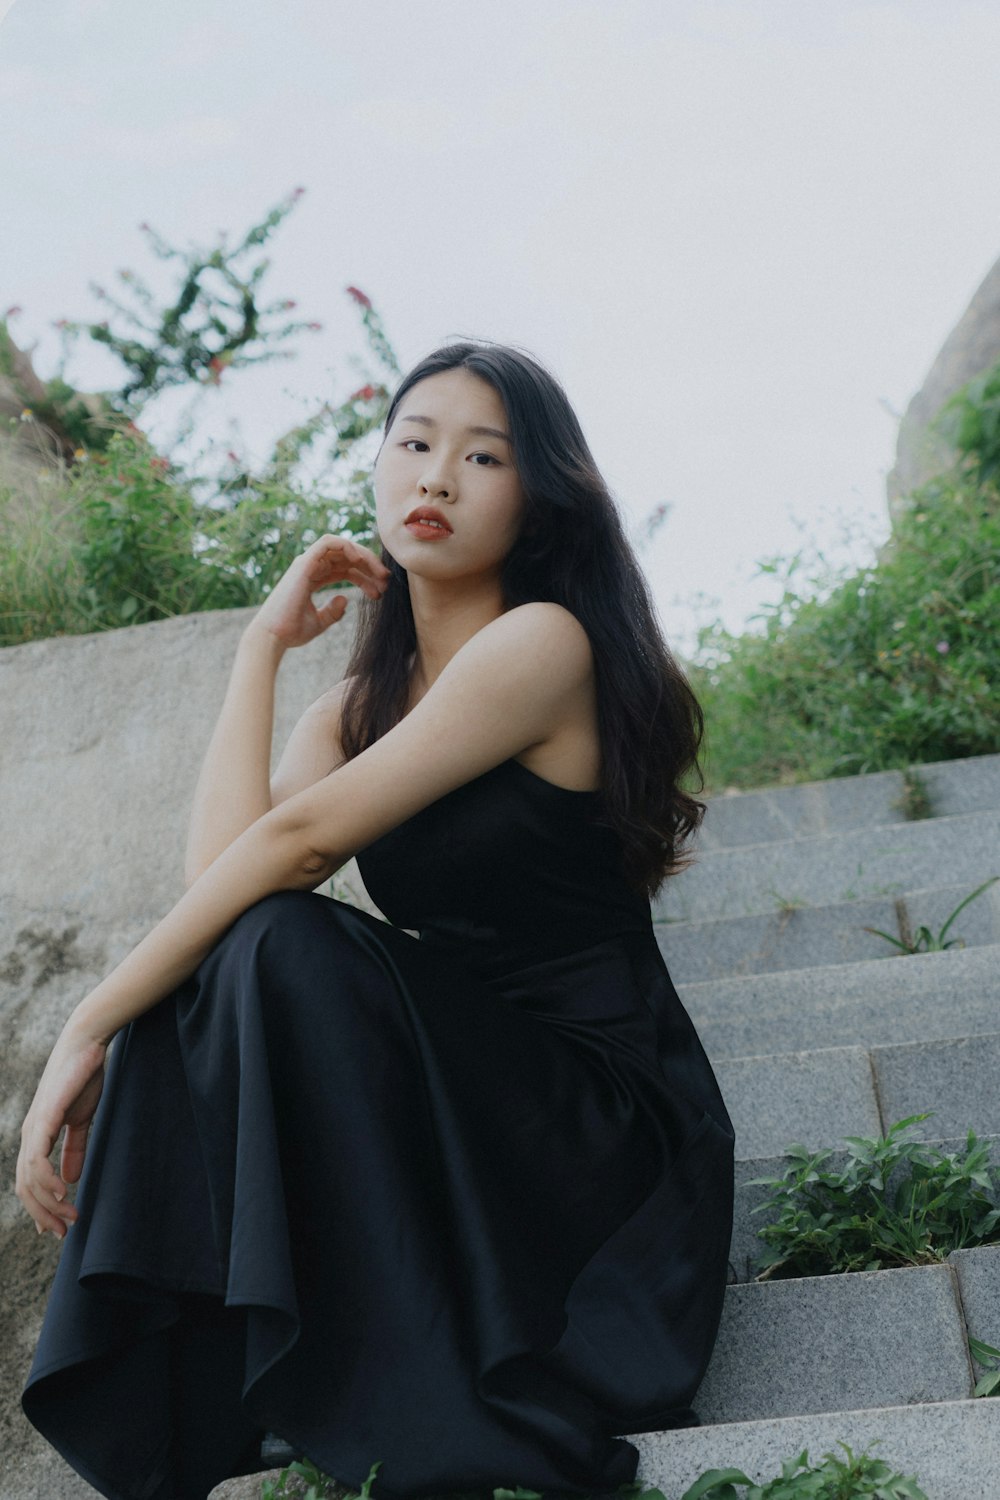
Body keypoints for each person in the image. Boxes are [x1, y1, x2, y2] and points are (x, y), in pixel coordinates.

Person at [16, 340, 735, 1500]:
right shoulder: (356, 710)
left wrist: (84, 1026)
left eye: (482, 455)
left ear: (538, 496)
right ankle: (202, 1414)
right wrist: (261, 646)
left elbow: (289, 855)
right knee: (237, 951)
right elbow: (225, 881)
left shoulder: (542, 643)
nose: (436, 478)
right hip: (451, 1106)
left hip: (597, 1127)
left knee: (268, 944)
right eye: (413, 442)